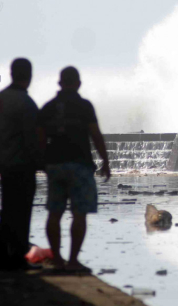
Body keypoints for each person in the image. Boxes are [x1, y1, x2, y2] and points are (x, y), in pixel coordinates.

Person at [37, 66, 110, 272]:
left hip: (55, 166)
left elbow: (40, 140)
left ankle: (57, 259)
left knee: (54, 213)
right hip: (80, 165)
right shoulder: (84, 106)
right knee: (79, 214)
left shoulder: (48, 107)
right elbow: (95, 135)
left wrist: (43, 163)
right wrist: (106, 161)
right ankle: (73, 260)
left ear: (60, 83)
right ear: (78, 83)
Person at [0, 58, 41, 270]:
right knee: (21, 214)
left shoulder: (2, 98)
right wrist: (43, 163)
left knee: (8, 211)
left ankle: (5, 255)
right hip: (22, 167)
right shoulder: (26, 103)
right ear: (29, 76)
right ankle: (17, 258)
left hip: (5, 166)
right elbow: (33, 140)